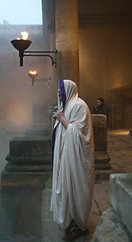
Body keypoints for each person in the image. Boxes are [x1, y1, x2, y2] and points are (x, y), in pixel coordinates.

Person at [50, 79, 95, 241]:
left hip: (77, 160)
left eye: (62, 89)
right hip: (67, 157)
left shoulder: (78, 106)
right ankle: (69, 220)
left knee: (77, 188)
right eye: (58, 90)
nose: (59, 92)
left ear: (70, 89)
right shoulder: (67, 106)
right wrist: (59, 118)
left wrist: (62, 119)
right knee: (66, 188)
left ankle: (79, 227)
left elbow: (81, 136)